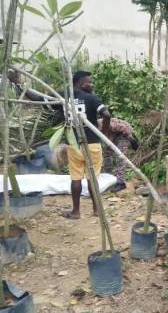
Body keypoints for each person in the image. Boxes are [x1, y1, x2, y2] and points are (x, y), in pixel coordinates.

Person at [11, 70, 111, 219]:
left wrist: (19, 85)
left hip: (74, 144)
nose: (91, 84)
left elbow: (38, 98)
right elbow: (106, 114)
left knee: (76, 179)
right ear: (81, 83)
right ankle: (97, 210)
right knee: (93, 178)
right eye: (89, 82)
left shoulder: (62, 97)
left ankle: (76, 212)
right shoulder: (91, 98)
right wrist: (103, 133)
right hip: (93, 144)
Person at [100, 117, 139, 192]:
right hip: (112, 137)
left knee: (120, 157)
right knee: (106, 155)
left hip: (123, 135)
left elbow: (124, 128)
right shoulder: (91, 128)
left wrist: (131, 139)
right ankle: (109, 177)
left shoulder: (107, 124)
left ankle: (121, 183)